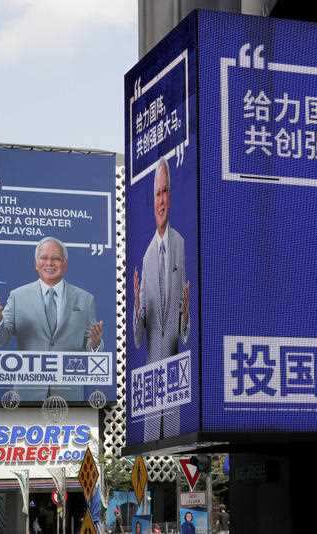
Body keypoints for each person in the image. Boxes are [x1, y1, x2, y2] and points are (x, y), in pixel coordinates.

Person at [0, 236, 104, 400]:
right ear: (36, 264)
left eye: (56, 258)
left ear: (65, 264)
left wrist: (96, 343)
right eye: (44, 258)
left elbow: (92, 350)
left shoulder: (85, 299)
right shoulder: (18, 296)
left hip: (69, 395)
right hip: (27, 395)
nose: (49, 263)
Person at [133, 157, 190, 440]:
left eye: (165, 191)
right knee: (152, 437)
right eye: (157, 193)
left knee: (181, 432)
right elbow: (139, 337)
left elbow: (186, 330)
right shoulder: (145, 257)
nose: (161, 200)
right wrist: (137, 311)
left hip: (181, 373)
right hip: (154, 376)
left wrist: (186, 317)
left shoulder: (183, 244)